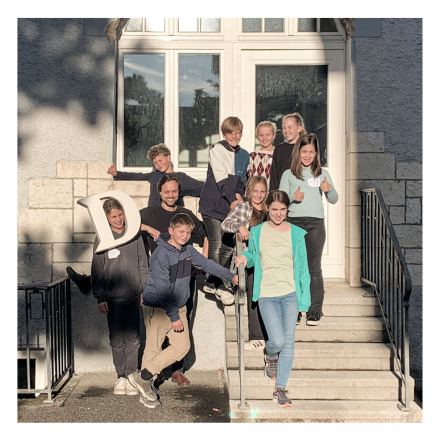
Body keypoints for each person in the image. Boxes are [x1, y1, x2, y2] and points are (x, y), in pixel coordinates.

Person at [128, 213, 238, 406]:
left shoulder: (188, 250)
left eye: (188, 232)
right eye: (181, 231)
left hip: (178, 307)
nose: (185, 236)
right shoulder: (161, 255)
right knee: (153, 348)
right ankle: (146, 390)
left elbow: (207, 264)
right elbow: (163, 289)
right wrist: (174, 316)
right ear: (170, 231)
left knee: (182, 347)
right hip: (159, 308)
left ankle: (143, 376)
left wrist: (229, 276)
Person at [235, 190, 311, 408]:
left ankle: (280, 388)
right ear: (267, 208)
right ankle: (270, 355)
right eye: (274, 209)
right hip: (267, 293)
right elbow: (253, 255)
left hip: (290, 293)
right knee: (277, 341)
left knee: (288, 342)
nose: (278, 213)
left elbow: (303, 270)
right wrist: (244, 256)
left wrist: (304, 301)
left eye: (283, 209)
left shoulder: (297, 234)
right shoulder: (257, 231)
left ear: (288, 210)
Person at [139, 173, 208, 386]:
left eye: (174, 191)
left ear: (179, 193)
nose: (170, 195)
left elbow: (205, 234)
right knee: (157, 332)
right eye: (166, 191)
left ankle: (177, 370)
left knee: (181, 327)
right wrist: (148, 228)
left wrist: (201, 262)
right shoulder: (149, 213)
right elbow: (125, 225)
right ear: (159, 192)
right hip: (160, 281)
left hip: (183, 280)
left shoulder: (185, 214)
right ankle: (153, 373)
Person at [91, 198, 159, 408]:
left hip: (134, 296)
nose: (118, 219)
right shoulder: (102, 238)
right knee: (116, 339)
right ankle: (120, 376)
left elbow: (143, 264)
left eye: (120, 215)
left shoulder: (134, 236)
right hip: (112, 299)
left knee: (134, 339)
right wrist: (100, 297)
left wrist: (144, 290)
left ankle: (132, 376)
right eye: (114, 216)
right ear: (107, 219)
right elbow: (98, 269)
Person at [279, 133, 338, 326]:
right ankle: (295, 309)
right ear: (298, 152)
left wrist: (328, 189)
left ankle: (315, 310)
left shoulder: (322, 174)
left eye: (311, 152)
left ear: (316, 153)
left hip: (315, 224)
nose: (307, 155)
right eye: (304, 151)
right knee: (295, 267)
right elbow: (280, 200)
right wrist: (292, 197)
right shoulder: (288, 174)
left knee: (314, 268)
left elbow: (334, 199)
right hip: (294, 223)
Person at [198, 116, 249, 306]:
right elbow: (222, 181)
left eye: (237, 132)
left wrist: (239, 198)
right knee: (216, 243)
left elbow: (241, 181)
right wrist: (232, 200)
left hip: (229, 206)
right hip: (212, 205)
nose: (234, 136)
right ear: (224, 134)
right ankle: (220, 284)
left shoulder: (244, 155)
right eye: (230, 133)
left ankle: (211, 281)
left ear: (241, 134)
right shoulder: (217, 150)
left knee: (228, 245)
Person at [221, 175, 268, 350]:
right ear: (249, 191)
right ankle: (256, 336)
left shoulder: (270, 209)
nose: (258, 195)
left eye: (262, 191)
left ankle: (270, 334)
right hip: (249, 259)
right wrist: (239, 227)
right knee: (254, 290)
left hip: (268, 259)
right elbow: (225, 224)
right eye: (255, 191)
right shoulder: (243, 207)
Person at [108, 143, 204, 207]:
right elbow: (137, 176)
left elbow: (200, 187)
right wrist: (117, 174)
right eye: (155, 162)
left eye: (160, 160)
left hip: (171, 216)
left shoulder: (180, 177)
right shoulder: (153, 176)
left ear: (168, 158)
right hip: (153, 213)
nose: (158, 164)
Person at [269, 113, 306, 191]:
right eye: (284, 128)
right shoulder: (279, 149)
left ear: (299, 128)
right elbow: (274, 177)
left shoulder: (305, 148)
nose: (286, 131)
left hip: (301, 192)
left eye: (289, 127)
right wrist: (273, 194)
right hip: (282, 194)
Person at [247, 121, 276, 187]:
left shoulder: (277, 156)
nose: (264, 138)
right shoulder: (252, 156)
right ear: (257, 137)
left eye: (268, 135)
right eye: (261, 135)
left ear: (273, 135)